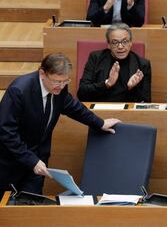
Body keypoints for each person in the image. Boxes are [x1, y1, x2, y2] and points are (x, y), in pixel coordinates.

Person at [0, 53, 121, 199]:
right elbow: (6, 132)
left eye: (65, 81)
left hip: (39, 162)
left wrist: (100, 123)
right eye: (57, 82)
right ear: (42, 73)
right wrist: (31, 160)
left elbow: (74, 107)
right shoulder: (19, 90)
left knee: (31, 209)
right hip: (11, 163)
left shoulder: (59, 88)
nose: (61, 86)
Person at [77, 23, 151, 102]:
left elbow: (146, 102)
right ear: (108, 45)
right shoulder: (96, 58)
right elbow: (81, 93)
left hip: (128, 111)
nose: (120, 46)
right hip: (100, 109)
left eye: (125, 41)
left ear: (130, 43)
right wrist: (107, 84)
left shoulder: (142, 64)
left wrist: (132, 87)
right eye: (115, 42)